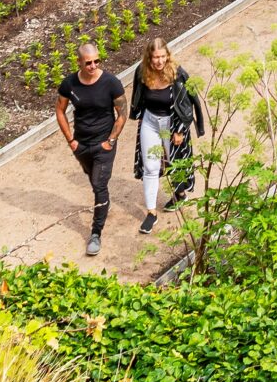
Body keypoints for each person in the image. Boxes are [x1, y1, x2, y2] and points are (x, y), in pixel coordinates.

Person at [54, 41, 126, 256]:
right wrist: (71, 140)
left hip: (104, 144)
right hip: (81, 144)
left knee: (98, 184)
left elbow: (122, 113)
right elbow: (59, 110)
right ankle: (103, 203)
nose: (93, 66)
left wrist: (110, 141)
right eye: (88, 63)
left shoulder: (111, 83)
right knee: (91, 176)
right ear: (79, 62)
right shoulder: (69, 84)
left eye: (96, 61)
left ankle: (96, 232)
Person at [129, 38, 205, 232]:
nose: (159, 61)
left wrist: (180, 130)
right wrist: (136, 113)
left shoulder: (177, 74)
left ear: (167, 56)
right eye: (155, 57)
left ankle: (180, 194)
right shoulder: (142, 72)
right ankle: (151, 213)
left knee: (175, 161)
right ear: (149, 57)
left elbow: (188, 104)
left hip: (169, 123)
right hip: (150, 121)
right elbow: (137, 94)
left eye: (162, 57)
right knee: (150, 165)